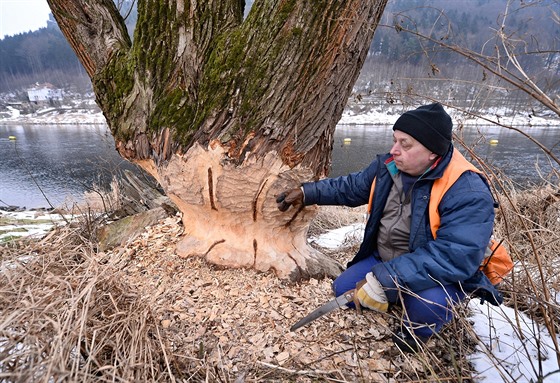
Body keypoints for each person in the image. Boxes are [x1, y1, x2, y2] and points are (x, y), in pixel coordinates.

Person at [276, 103, 502, 353]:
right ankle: (394, 294)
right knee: (343, 289)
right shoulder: (388, 167)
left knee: (426, 306)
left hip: (440, 276)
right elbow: (351, 187)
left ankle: (417, 333)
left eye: (405, 144)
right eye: (395, 141)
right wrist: (307, 192)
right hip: (386, 258)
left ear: (432, 152)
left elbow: (456, 255)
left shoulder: (466, 189)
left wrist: (387, 278)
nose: (394, 150)